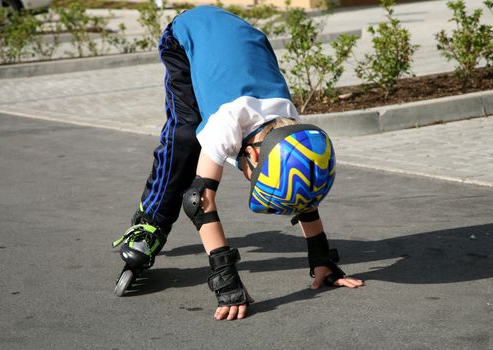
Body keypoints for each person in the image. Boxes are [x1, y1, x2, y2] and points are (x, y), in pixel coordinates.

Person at [112, 5, 363, 320]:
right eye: (255, 175)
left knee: (200, 137)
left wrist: (321, 256)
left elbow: (299, 177)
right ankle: (148, 223)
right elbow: (198, 200)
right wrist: (224, 277)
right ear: (254, 155)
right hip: (188, 32)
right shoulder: (226, 125)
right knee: (186, 136)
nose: (250, 177)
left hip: (245, 36)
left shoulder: (290, 127)